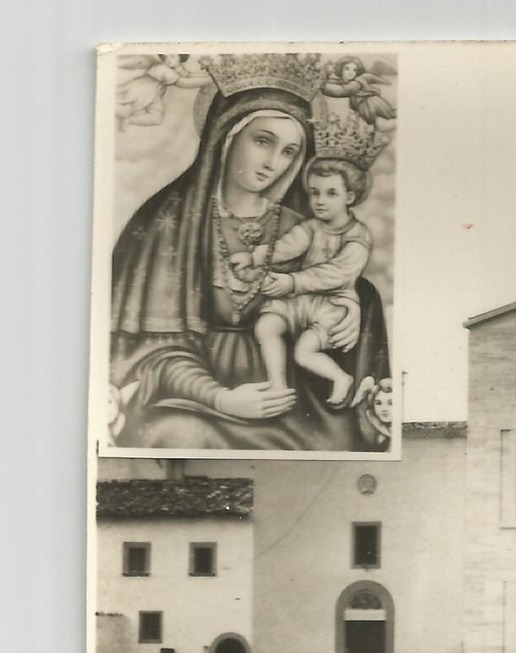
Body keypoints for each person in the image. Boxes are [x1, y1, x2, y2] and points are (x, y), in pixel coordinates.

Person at [109, 53, 392, 451]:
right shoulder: (167, 224)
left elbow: (334, 282)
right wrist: (221, 397)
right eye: (263, 141)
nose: (273, 164)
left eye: (290, 152)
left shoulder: (299, 227)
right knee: (171, 434)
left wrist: (354, 306)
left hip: (292, 399)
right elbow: (154, 351)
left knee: (337, 443)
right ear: (226, 137)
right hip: (197, 398)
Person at [230, 153, 378, 409]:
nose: (319, 201)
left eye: (331, 193)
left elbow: (337, 272)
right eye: (314, 192)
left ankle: (340, 377)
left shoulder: (358, 235)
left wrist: (292, 282)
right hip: (301, 300)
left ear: (350, 198)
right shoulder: (311, 227)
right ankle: (278, 385)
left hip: (334, 304)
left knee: (304, 352)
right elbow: (286, 247)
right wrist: (254, 256)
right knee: (266, 326)